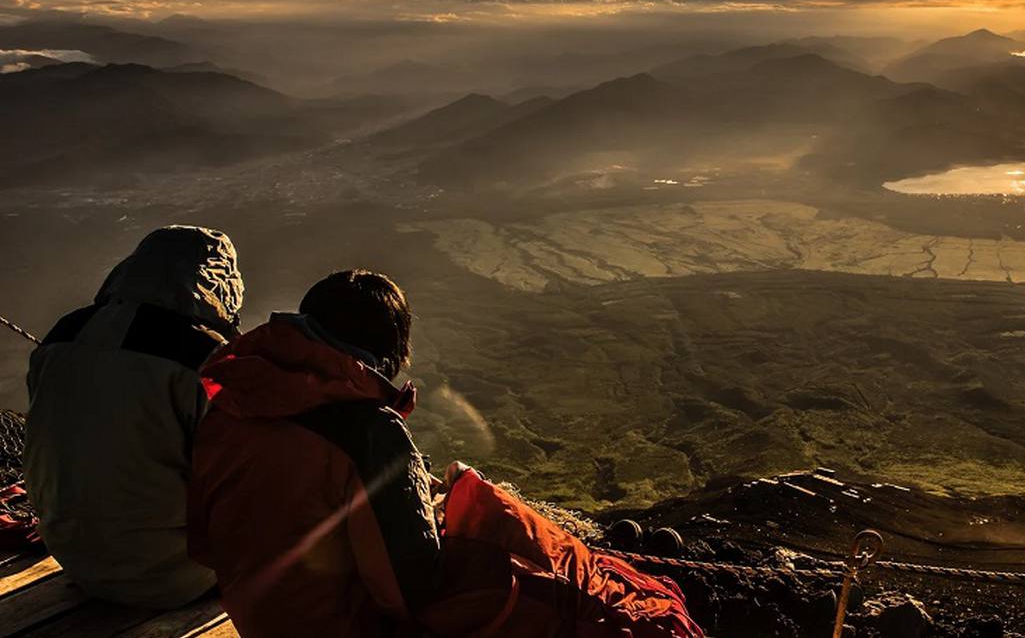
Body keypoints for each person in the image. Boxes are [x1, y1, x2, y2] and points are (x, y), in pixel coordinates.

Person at [189, 270, 701, 638]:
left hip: (258, 615)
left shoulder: (234, 402)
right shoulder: (370, 433)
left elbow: (209, 537)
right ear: (387, 356)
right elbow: (413, 586)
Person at [23, 225, 243, 607]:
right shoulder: (203, 355)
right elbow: (233, 476)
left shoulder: (63, 333)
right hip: (176, 574)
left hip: (75, 558)